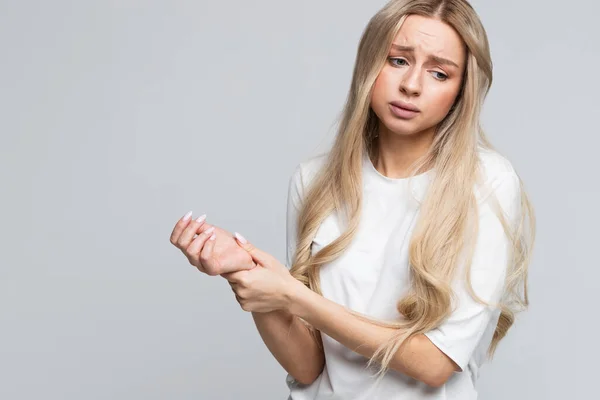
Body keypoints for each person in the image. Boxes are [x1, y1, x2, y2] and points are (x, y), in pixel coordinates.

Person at [169, 0, 536, 398]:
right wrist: (246, 273)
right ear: (369, 63)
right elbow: (309, 366)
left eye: (438, 73)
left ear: (460, 91)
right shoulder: (314, 181)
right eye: (398, 60)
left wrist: (294, 296)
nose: (412, 84)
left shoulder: (487, 182)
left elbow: (435, 364)